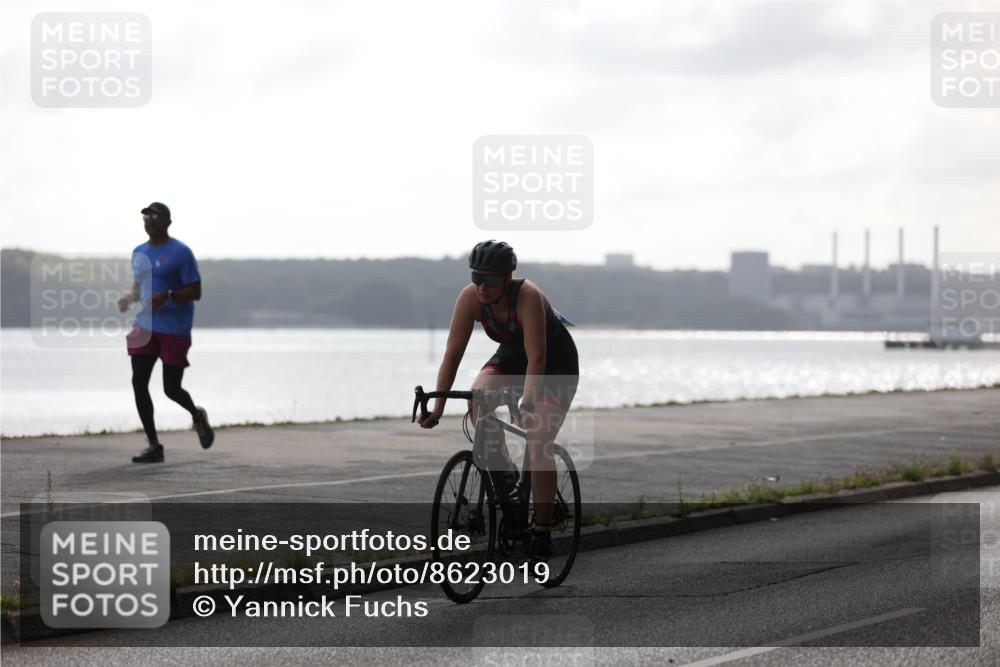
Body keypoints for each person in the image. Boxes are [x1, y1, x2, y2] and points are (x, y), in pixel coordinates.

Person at [418, 240, 579, 560]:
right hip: (510, 357)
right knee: (478, 400)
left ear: (507, 278)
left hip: (554, 364)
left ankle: (543, 531)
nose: (482, 286)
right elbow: (451, 355)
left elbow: (538, 358)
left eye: (490, 280)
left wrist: (528, 401)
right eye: (477, 277)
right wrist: (438, 407)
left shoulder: (528, 296)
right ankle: (507, 487)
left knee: (538, 438)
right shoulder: (470, 297)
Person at [118, 202, 213, 463]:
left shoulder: (181, 252)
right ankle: (153, 446)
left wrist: (169, 295)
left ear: (168, 222)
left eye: (155, 216)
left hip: (175, 327)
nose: (150, 220)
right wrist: (130, 297)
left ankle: (197, 415)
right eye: (146, 216)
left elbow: (196, 291)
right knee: (139, 382)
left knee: (171, 388)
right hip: (145, 324)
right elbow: (141, 285)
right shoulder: (138, 252)